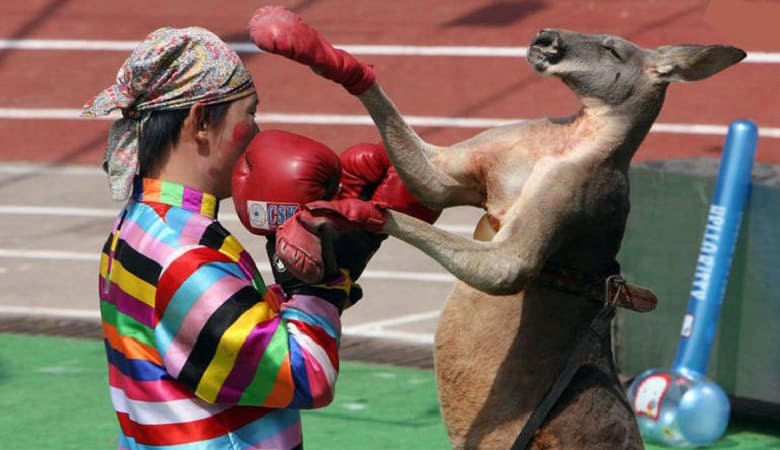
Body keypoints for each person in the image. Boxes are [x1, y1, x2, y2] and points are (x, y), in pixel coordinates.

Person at [82, 26, 438, 450]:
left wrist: (337, 266)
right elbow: (306, 374)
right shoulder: (185, 256)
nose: (256, 130)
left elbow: (224, 337)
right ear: (200, 122)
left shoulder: (140, 226)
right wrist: (314, 285)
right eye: (248, 113)